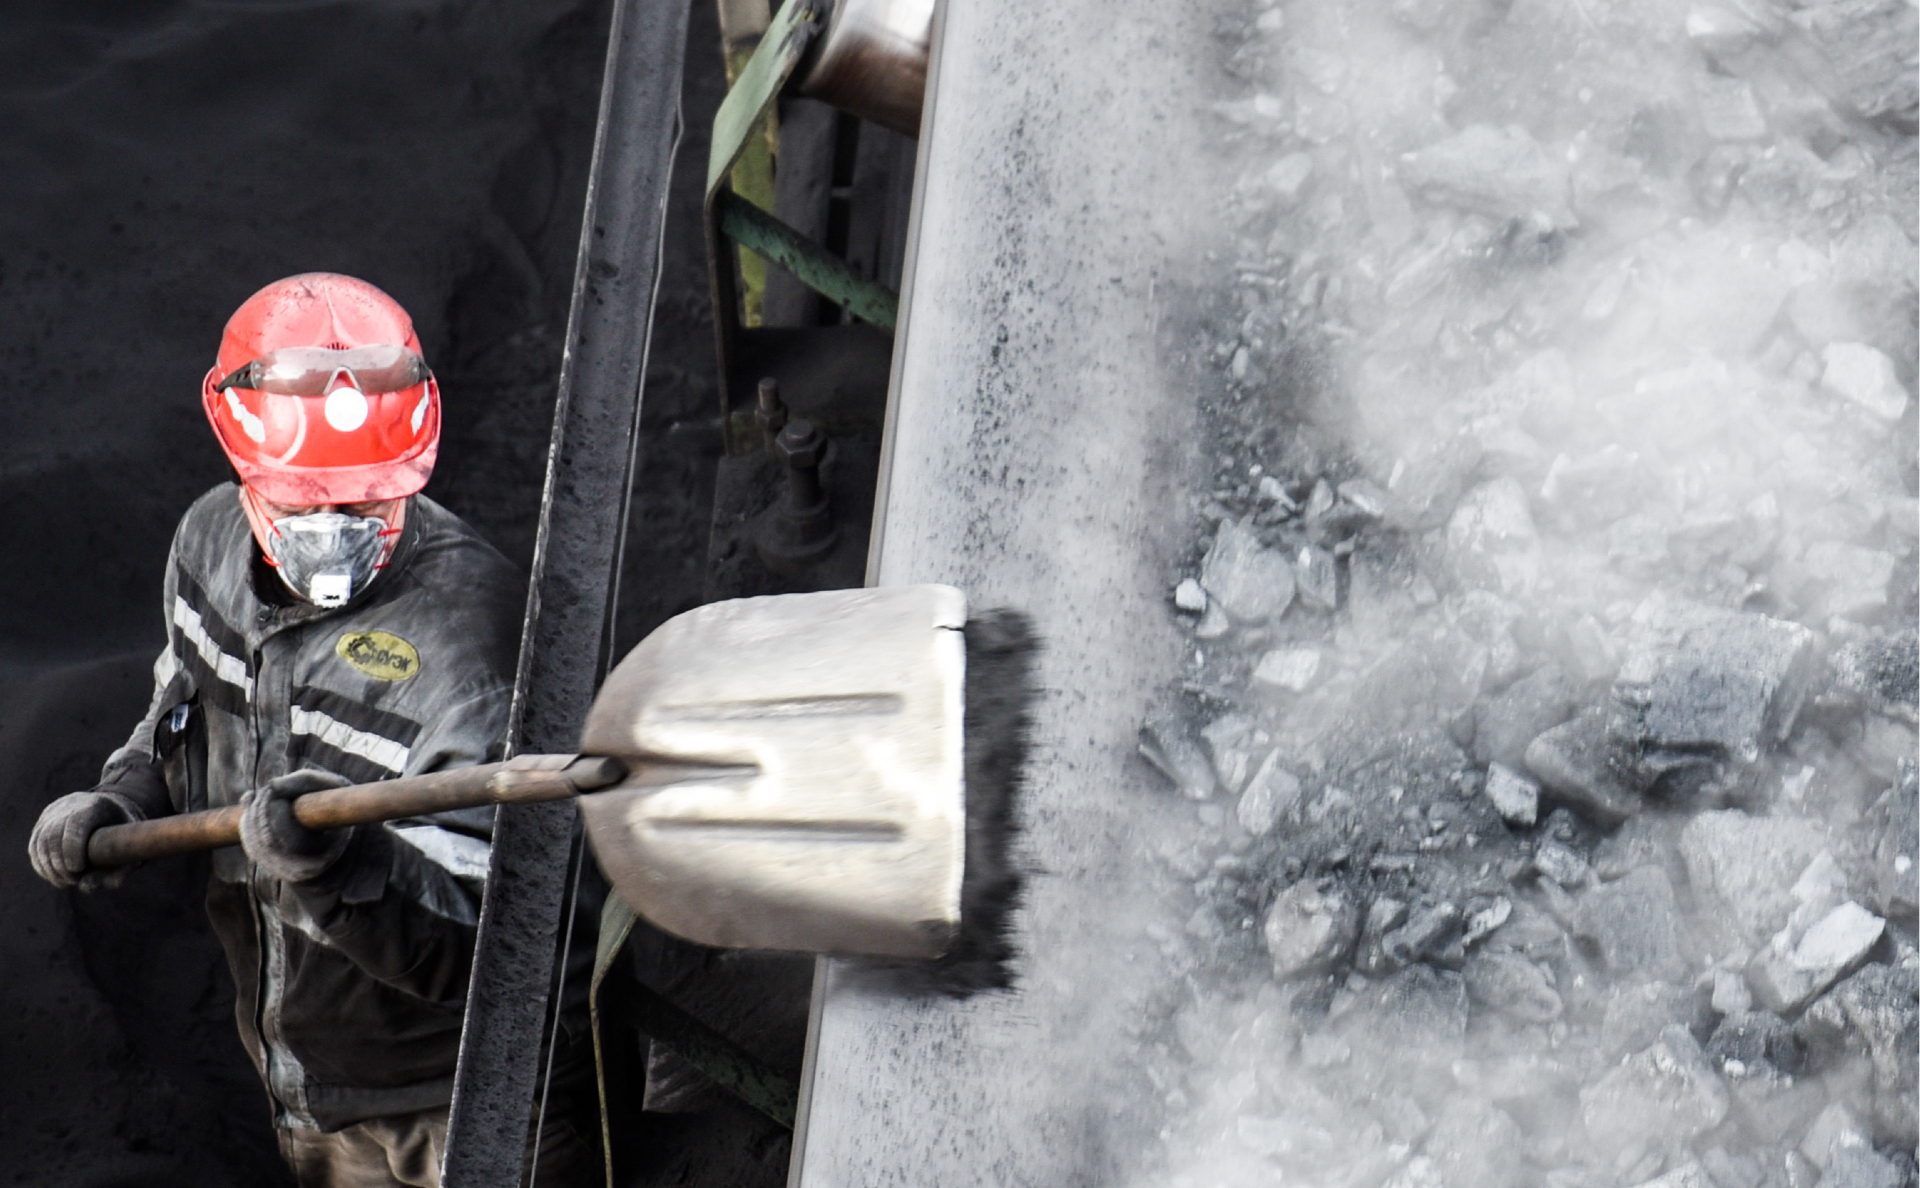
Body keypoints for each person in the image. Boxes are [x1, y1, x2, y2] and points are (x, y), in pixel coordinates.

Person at [26, 273, 590, 1187]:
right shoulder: (206, 542)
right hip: (301, 1077)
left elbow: (507, 942)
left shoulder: (473, 642)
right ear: (242, 460)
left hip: (457, 1098)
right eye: (301, 503)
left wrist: (348, 867)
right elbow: (180, 707)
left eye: (365, 501)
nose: (333, 533)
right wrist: (122, 795)